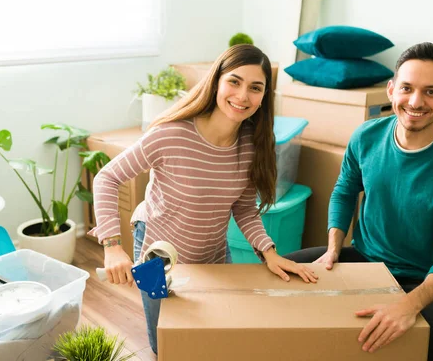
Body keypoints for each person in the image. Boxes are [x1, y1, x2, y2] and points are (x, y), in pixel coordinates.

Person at [88, 44, 318, 354]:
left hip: (213, 256)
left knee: (214, 336)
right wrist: (112, 245)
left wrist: (269, 251)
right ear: (217, 81)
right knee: (166, 345)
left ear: (264, 97)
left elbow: (244, 210)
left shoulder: (252, 145)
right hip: (159, 260)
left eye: (255, 87)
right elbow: (107, 177)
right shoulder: (170, 135)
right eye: (234, 82)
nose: (242, 95)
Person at [285, 42, 433, 360]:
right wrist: (334, 247)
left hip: (421, 276)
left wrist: (408, 305)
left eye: (431, 92)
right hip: (366, 258)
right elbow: (344, 191)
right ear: (392, 90)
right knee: (281, 274)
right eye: (407, 88)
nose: (416, 101)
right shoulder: (365, 137)